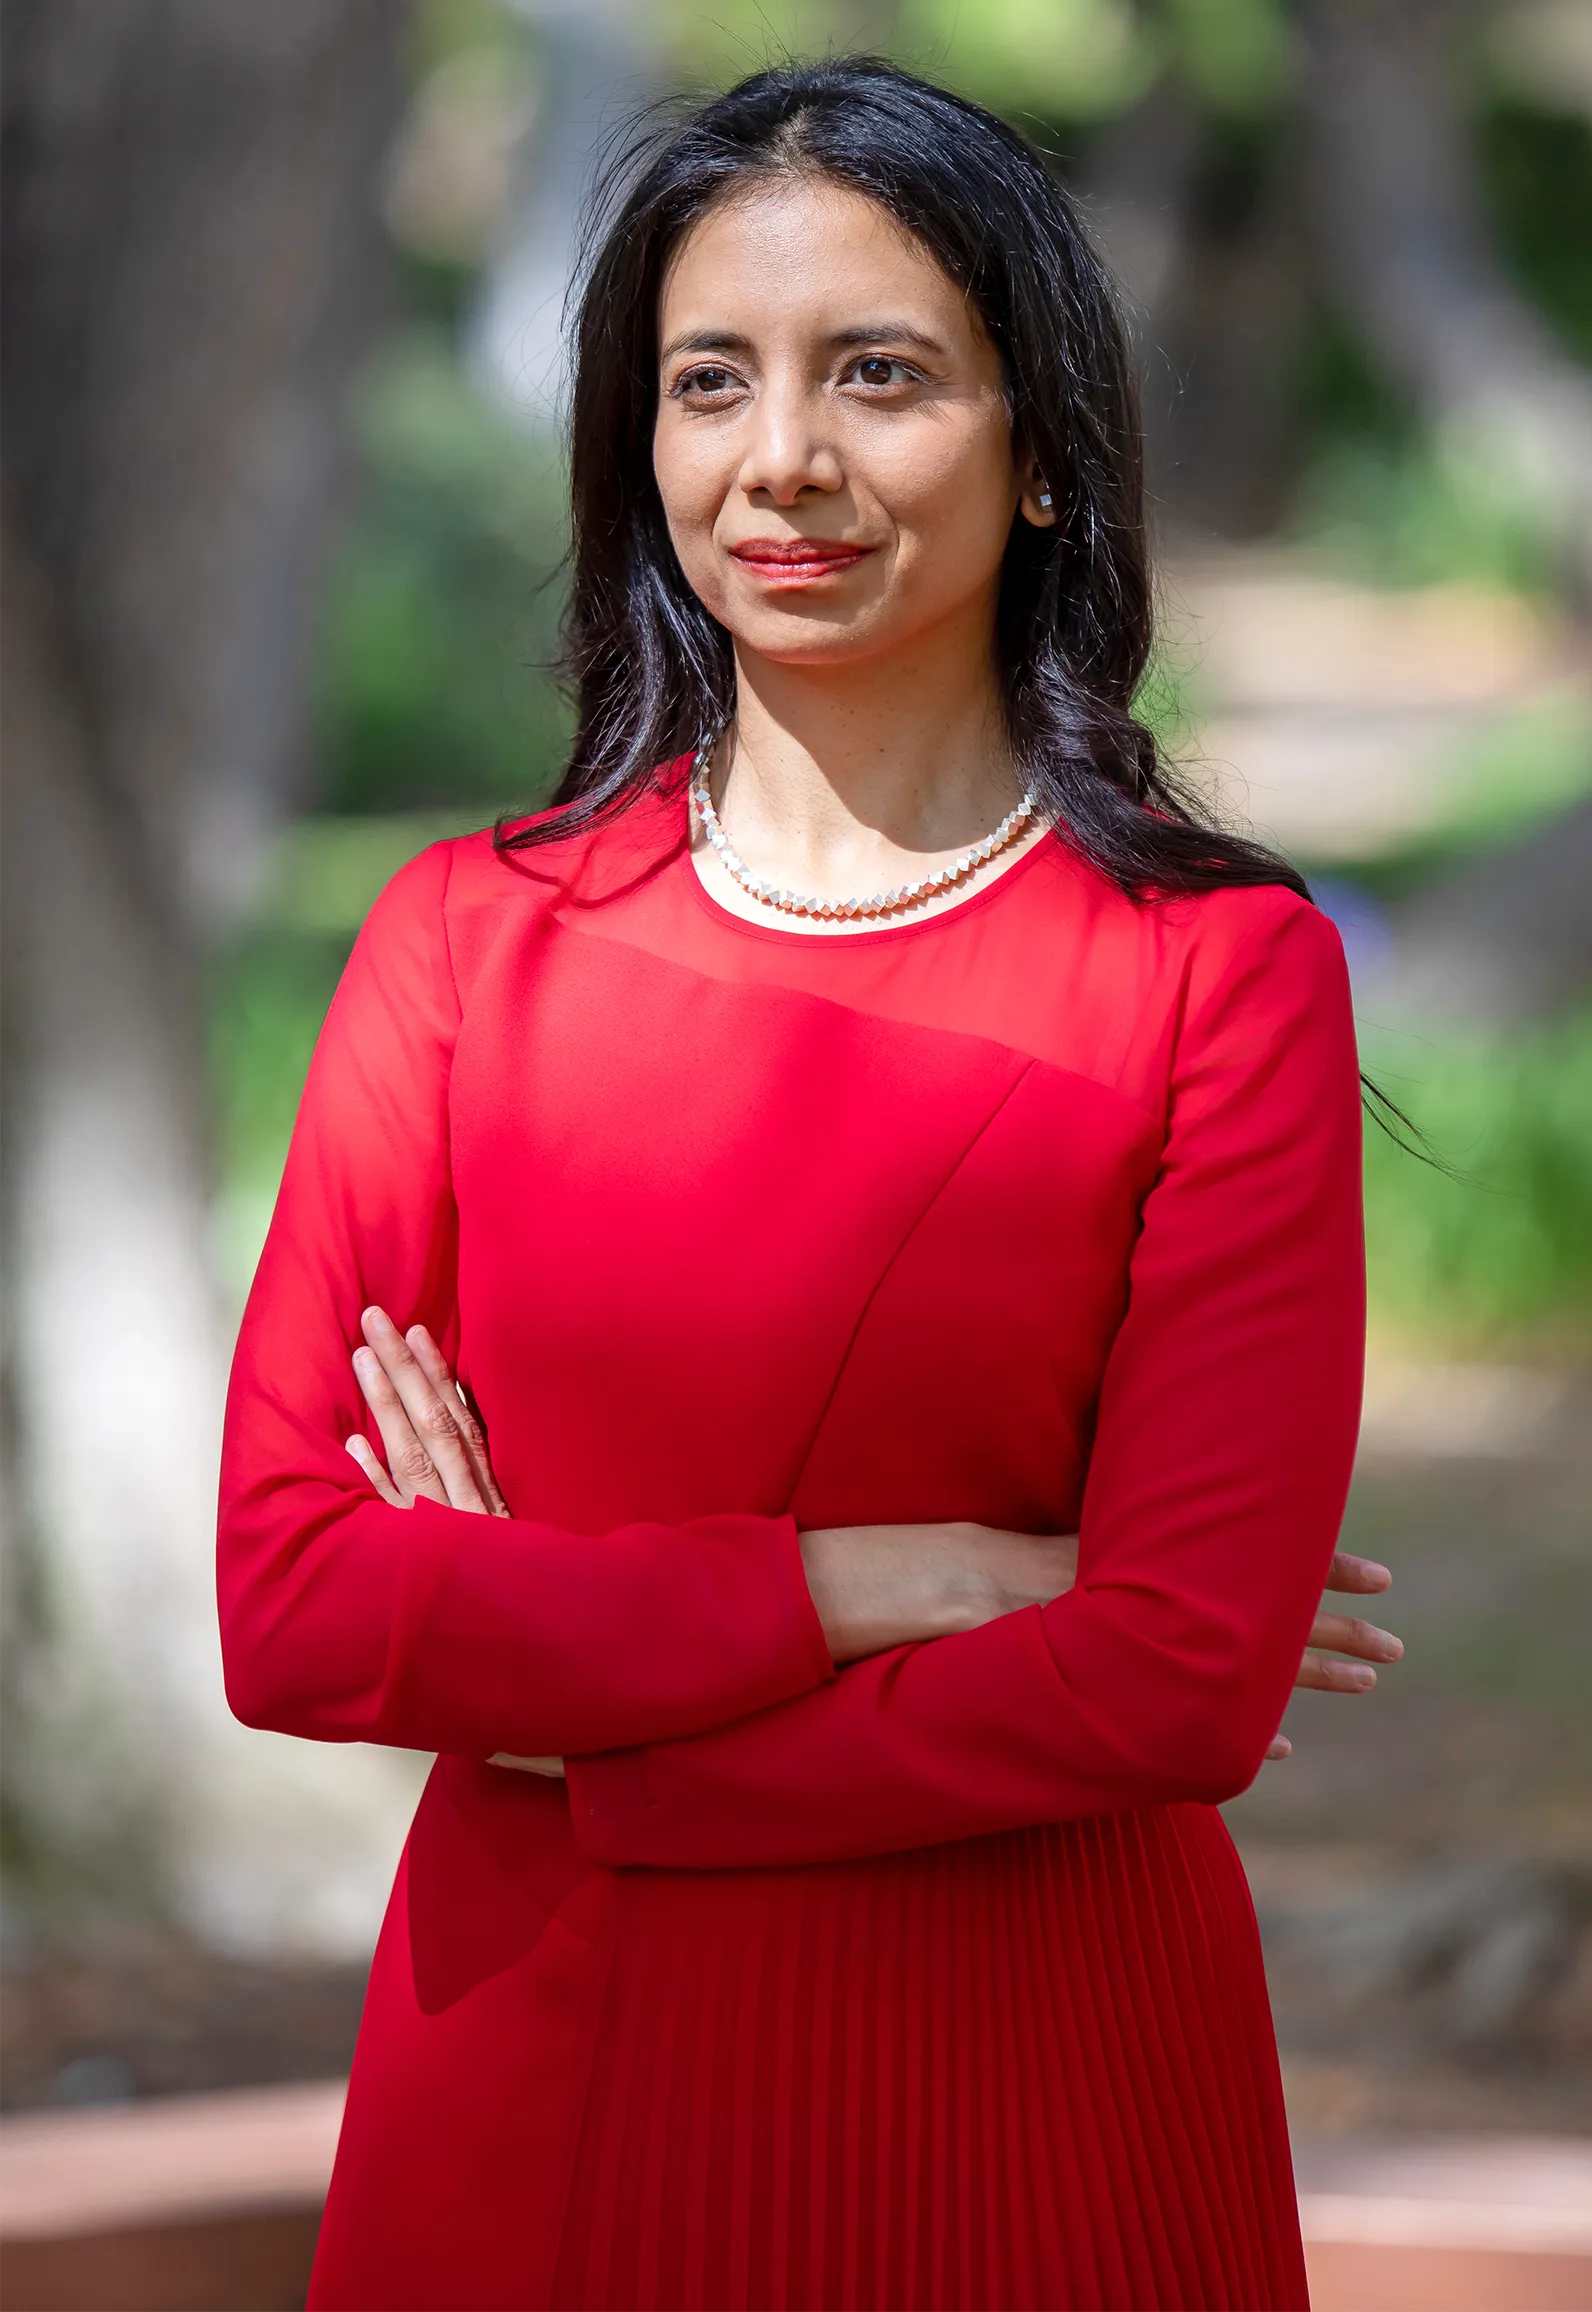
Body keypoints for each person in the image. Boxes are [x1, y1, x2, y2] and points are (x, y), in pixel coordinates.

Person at [217, 58, 1403, 2310]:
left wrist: (589, 1713)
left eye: (880, 374)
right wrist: (909, 1576)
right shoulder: (464, 946)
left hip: (1030, 2079)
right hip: (537, 2062)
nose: (781, 459)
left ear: (1044, 446)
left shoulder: (1215, 980)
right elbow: (295, 1604)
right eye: (706, 382)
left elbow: (1169, 1685)